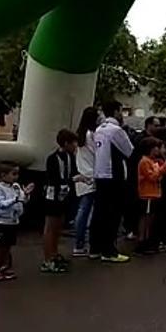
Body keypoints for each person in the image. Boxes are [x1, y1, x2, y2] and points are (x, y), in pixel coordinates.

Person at [91, 101, 134, 263]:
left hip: (100, 174)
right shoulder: (116, 130)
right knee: (113, 214)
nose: (121, 114)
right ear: (116, 111)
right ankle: (109, 251)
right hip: (113, 176)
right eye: (121, 111)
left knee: (99, 213)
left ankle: (95, 248)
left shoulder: (99, 129)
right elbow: (129, 151)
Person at [0, 161, 34, 282]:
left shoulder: (16, 187)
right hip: (1, 221)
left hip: (13, 221)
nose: (16, 177)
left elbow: (23, 200)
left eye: (17, 174)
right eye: (13, 174)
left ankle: (5, 267)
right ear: (3, 175)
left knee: (8, 246)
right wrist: (15, 199)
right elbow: (1, 204)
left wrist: (26, 195)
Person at [42, 129, 78, 273]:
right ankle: (47, 259)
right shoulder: (53, 158)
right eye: (73, 143)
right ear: (65, 143)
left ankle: (55, 253)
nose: (75, 146)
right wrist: (71, 180)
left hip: (65, 196)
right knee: (50, 227)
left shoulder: (70, 157)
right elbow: (54, 179)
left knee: (58, 227)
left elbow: (73, 173)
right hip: (53, 196)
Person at [135, 137, 166, 254]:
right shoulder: (144, 161)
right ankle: (142, 241)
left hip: (154, 193)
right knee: (145, 218)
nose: (158, 150)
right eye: (156, 148)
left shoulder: (152, 161)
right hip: (147, 194)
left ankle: (148, 240)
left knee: (151, 218)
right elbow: (151, 177)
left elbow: (158, 177)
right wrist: (162, 169)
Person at [72, 107, 99, 257]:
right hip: (92, 176)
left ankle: (79, 243)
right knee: (90, 212)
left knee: (82, 211)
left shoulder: (80, 134)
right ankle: (85, 243)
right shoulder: (92, 135)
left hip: (82, 175)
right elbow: (98, 154)